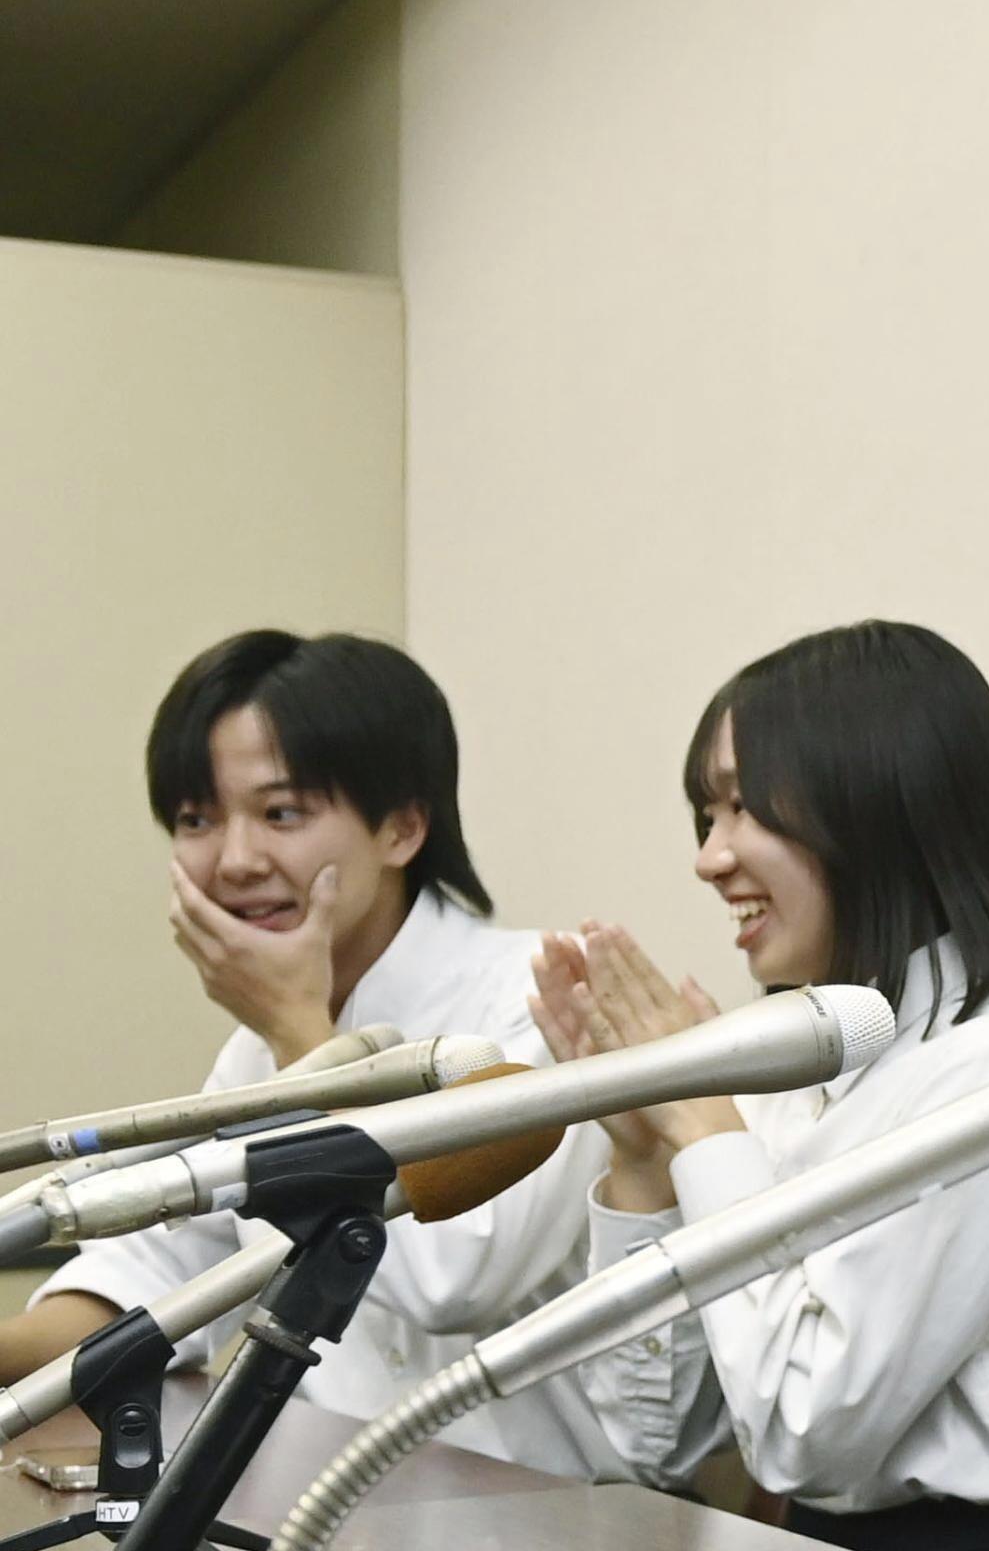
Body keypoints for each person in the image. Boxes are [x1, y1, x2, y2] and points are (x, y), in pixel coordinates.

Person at [533, 622, 989, 1551]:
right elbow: (654, 1441)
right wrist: (644, 1159)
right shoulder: (789, 1065)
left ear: (879, 807)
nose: (708, 858)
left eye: (740, 808)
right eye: (704, 814)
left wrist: (703, 1126)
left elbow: (806, 1434)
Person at [0, 631, 627, 1476]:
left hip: (540, 1523)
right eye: (197, 819)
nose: (234, 860)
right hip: (330, 1506)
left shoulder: (536, 996)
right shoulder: (260, 1039)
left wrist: (302, 1032)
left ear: (402, 827)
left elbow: (452, 1278)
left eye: (281, 813)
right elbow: (158, 1267)